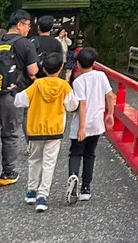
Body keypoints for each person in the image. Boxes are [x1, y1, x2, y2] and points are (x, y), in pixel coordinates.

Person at [0, 10, 39, 193]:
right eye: (28, 25)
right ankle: (8, 174)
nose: (29, 29)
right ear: (20, 25)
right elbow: (32, 72)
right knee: (10, 135)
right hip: (13, 96)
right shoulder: (24, 44)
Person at [14, 51, 77, 212]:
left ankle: (31, 191)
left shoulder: (37, 85)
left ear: (43, 68)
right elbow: (72, 106)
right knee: (49, 163)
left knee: (34, 160)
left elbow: (20, 100)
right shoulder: (64, 86)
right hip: (54, 130)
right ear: (61, 67)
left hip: (36, 129)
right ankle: (43, 196)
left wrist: (14, 90)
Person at [66, 47, 116, 204]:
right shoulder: (101, 76)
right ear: (94, 63)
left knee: (75, 153)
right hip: (96, 123)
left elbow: (82, 104)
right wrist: (110, 114)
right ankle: (86, 188)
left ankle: (73, 177)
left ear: (78, 64)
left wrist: (81, 127)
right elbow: (109, 95)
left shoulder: (79, 81)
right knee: (90, 154)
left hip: (82, 124)